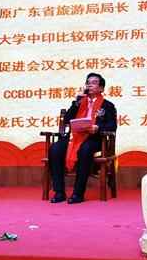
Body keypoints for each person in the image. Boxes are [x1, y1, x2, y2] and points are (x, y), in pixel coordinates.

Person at [48, 72, 117, 204]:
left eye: (94, 83)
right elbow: (67, 120)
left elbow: (112, 126)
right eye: (88, 83)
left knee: (85, 150)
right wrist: (76, 103)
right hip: (74, 137)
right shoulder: (79, 102)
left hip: (94, 138)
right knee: (55, 149)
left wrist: (98, 128)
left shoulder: (107, 105)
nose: (89, 85)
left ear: (101, 88)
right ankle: (59, 192)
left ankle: (78, 193)